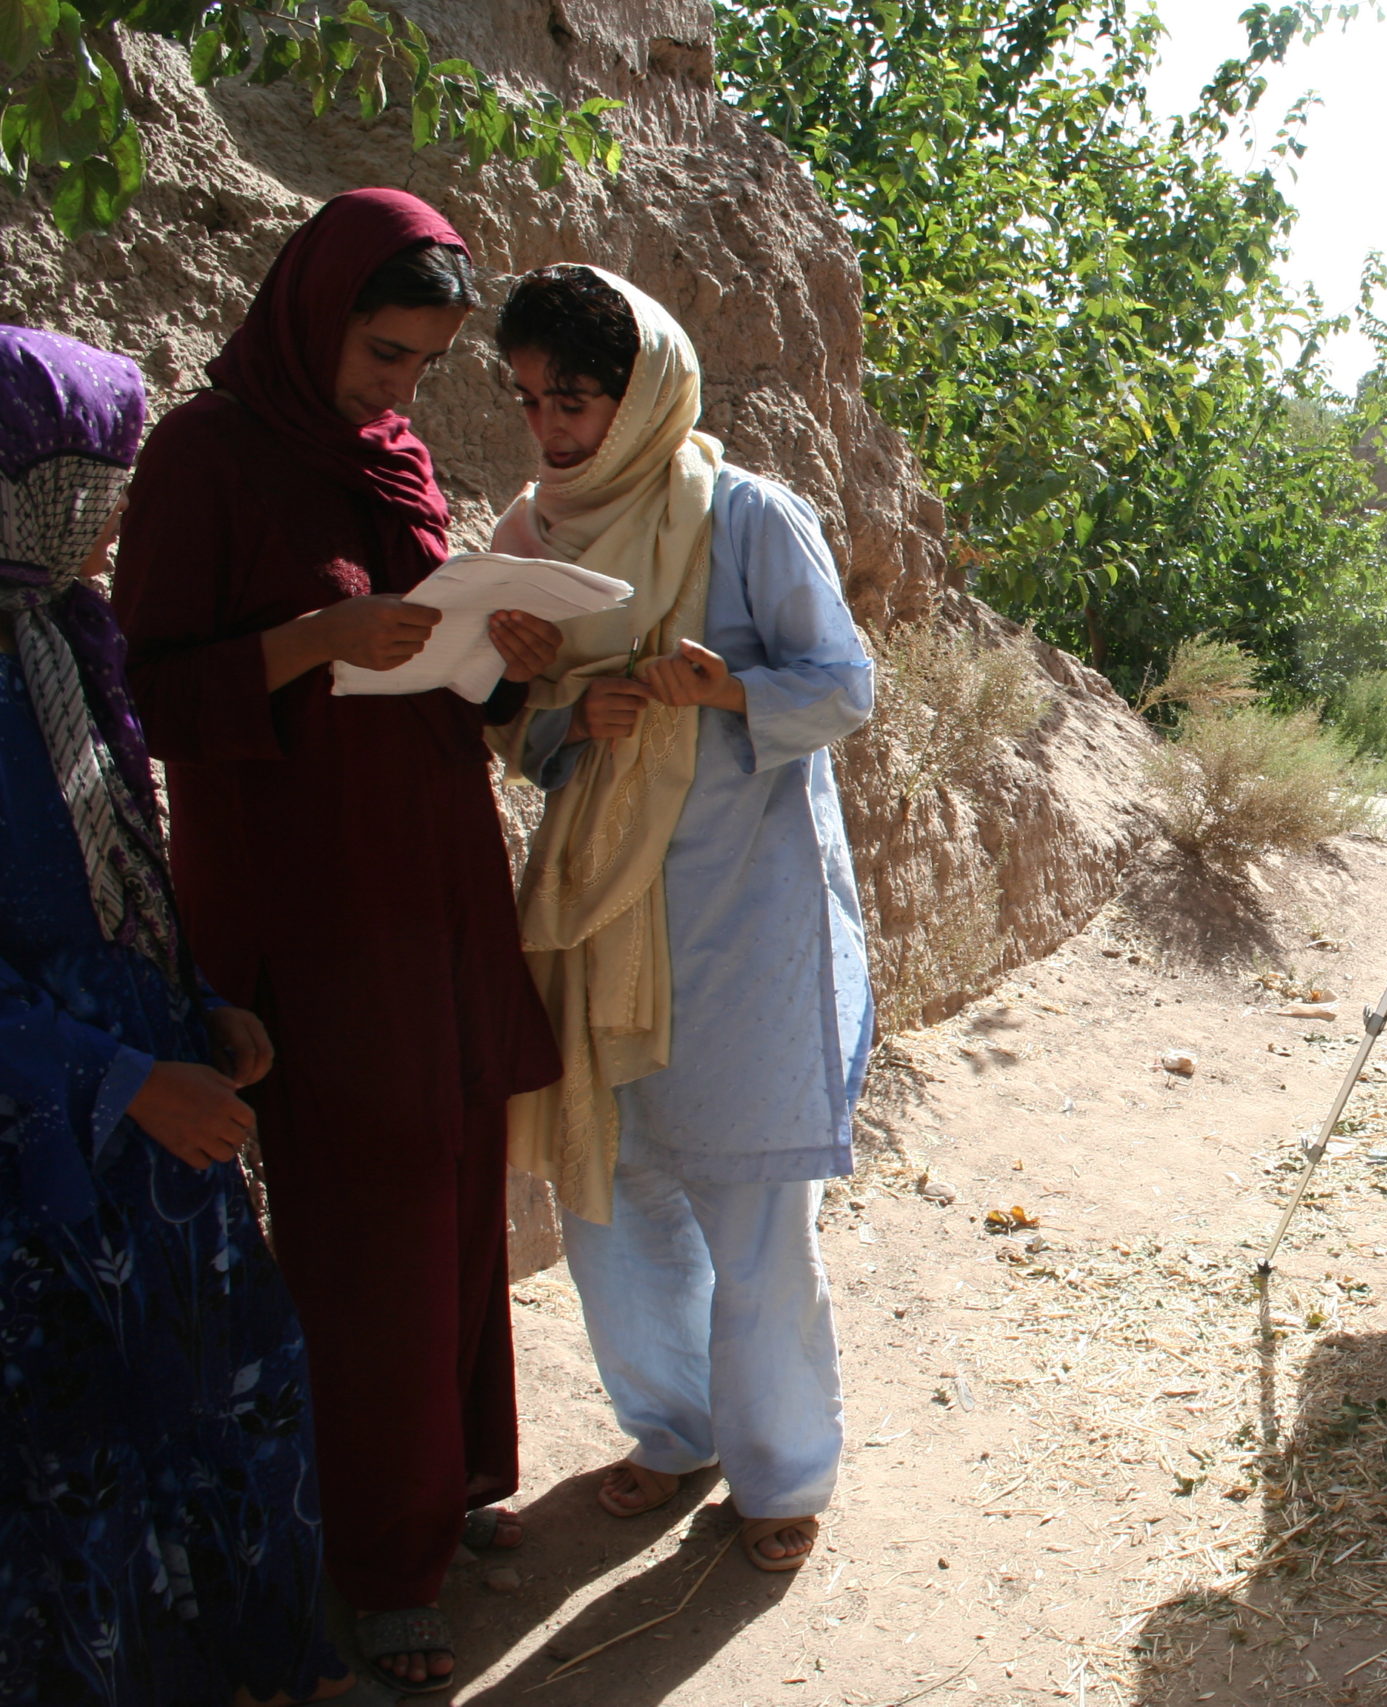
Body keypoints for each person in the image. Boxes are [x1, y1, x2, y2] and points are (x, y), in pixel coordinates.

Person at [111, 191, 566, 1696]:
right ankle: (378, 1568)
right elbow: (152, 701)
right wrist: (313, 638)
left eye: (425, 362)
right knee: (363, 1227)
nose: (398, 389)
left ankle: (444, 1487)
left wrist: (500, 663)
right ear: (312, 315)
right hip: (308, 901)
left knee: (446, 1188)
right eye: (383, 353)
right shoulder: (204, 456)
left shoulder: (394, 457)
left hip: (428, 882)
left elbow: (436, 675)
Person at [489, 265, 875, 1573]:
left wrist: (723, 690)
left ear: (643, 390)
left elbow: (843, 688)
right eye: (533, 400)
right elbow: (510, 723)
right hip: (601, 915)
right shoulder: (531, 534)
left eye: (578, 401)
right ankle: (674, 1429)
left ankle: (781, 1471)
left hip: (742, 917)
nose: (552, 430)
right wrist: (560, 716)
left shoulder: (746, 516)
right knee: (613, 1199)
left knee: (753, 1208)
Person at [0, 327, 354, 1707]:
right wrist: (119, 1074)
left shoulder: (63, 636)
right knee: (66, 1441)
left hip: (155, 1093)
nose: (115, 520)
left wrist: (196, 1002)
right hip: (44, 1129)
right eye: (93, 486)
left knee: (232, 1380)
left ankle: (252, 1652)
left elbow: (117, 857)